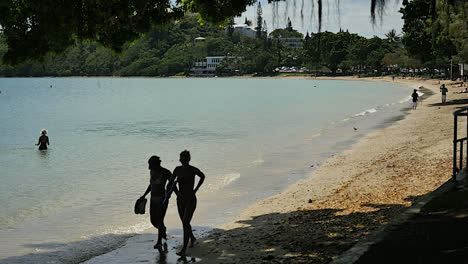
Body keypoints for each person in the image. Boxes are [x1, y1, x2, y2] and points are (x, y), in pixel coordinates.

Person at [173, 150, 205, 257]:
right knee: (184, 222)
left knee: (185, 223)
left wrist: (196, 189)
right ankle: (192, 237)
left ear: (188, 159)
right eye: (181, 158)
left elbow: (202, 176)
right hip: (180, 200)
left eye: (184, 158)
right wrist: (176, 193)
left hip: (190, 199)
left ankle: (184, 249)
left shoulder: (193, 170)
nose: (182, 160)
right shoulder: (177, 170)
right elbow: (171, 184)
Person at [141, 156, 174, 252]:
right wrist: (144, 195)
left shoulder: (166, 172)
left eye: (150, 165)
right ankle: (162, 230)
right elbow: (151, 185)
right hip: (153, 199)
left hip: (162, 199)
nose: (149, 167)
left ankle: (159, 242)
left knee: (159, 220)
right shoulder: (152, 172)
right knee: (153, 220)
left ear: (155, 164)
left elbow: (172, 184)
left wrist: (171, 193)